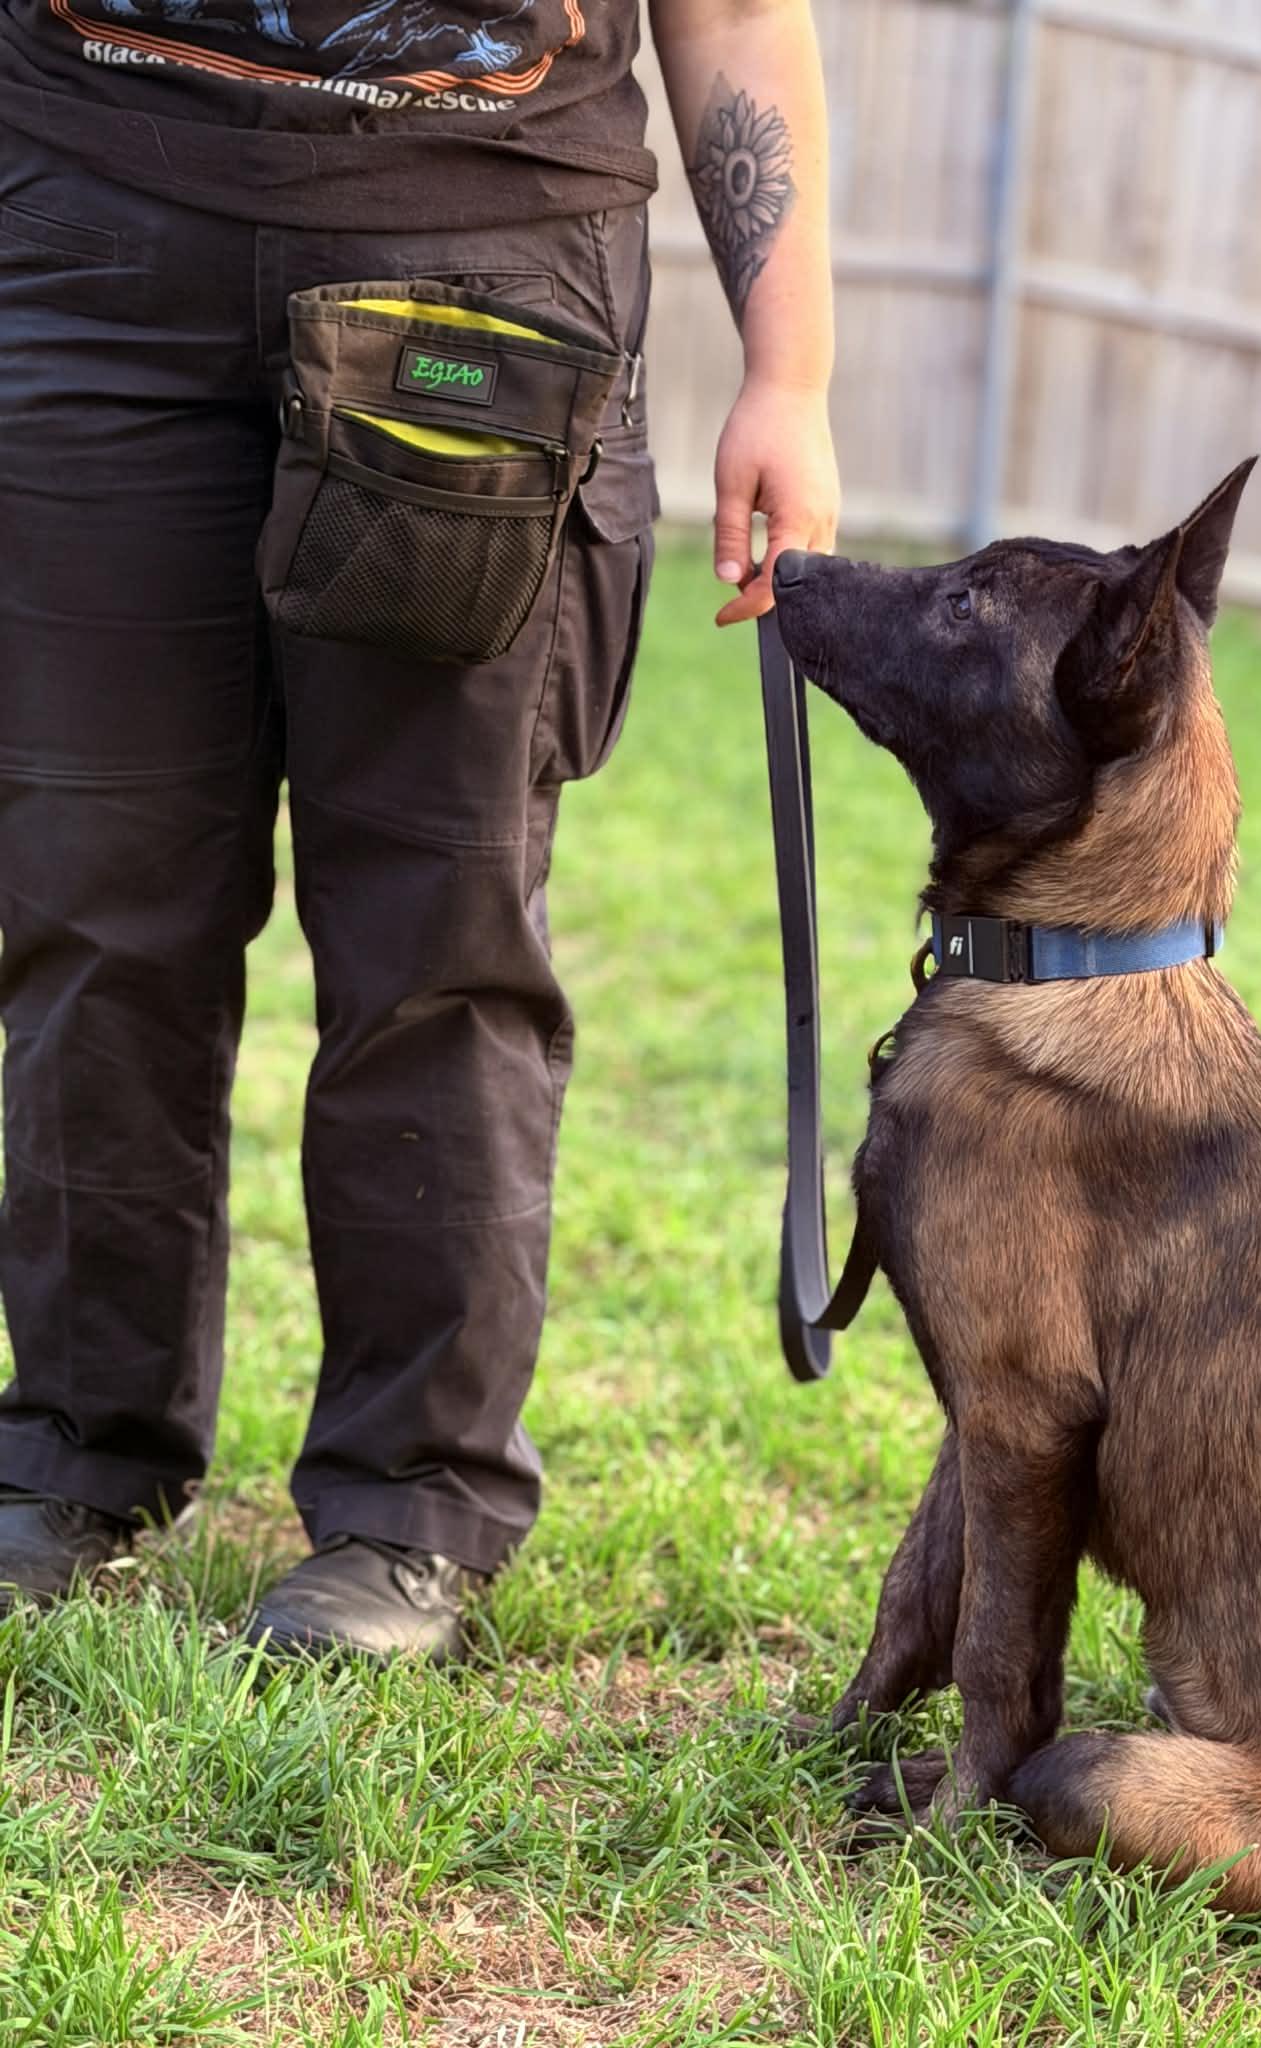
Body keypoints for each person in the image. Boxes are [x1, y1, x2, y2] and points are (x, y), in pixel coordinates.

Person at [0, 0, 839, 1658]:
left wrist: (790, 370)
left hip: (473, 272)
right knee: (91, 904)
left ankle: (411, 1505)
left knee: (434, 934)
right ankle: (76, 1451)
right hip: (87, 234)